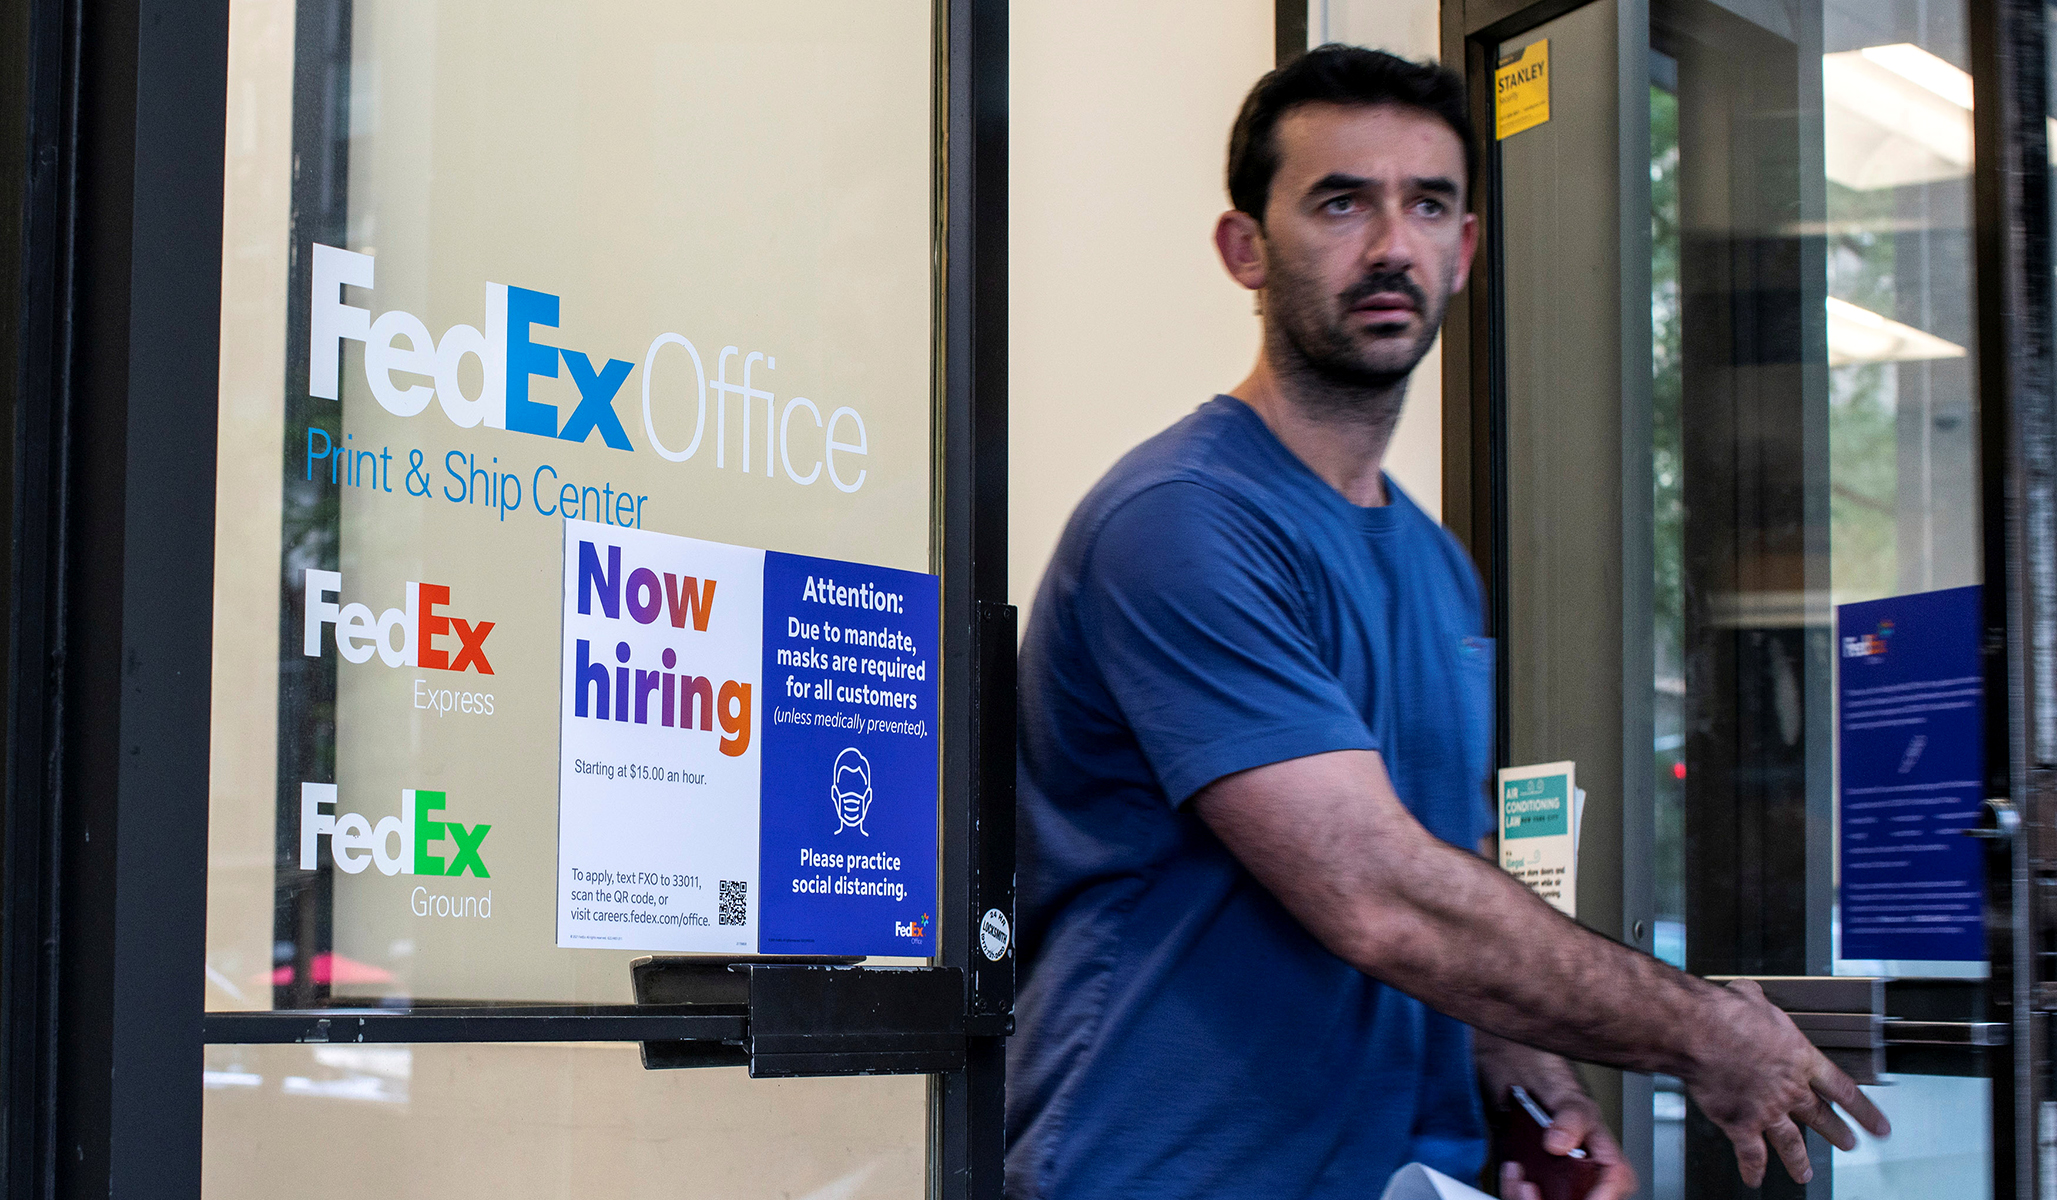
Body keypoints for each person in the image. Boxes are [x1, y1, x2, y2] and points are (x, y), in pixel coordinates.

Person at [1005, 45, 1889, 1200]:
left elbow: (1445, 869)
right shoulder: (1181, 521)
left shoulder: (1433, 566)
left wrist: (1536, 1097)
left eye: (1426, 205)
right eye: (1339, 203)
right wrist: (1703, 1030)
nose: (1390, 246)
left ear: (1463, 250)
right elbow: (1377, 893)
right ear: (1243, 249)